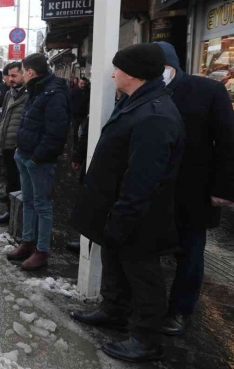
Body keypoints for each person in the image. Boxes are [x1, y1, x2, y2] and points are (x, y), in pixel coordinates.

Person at [70, 43, 184, 363]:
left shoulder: (155, 114)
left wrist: (123, 216)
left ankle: (146, 339)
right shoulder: (137, 102)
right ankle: (113, 310)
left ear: (132, 74)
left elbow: (144, 177)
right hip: (118, 207)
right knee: (116, 263)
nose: (113, 73)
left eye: (117, 68)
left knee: (143, 275)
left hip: (139, 215)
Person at [156, 41, 234, 336]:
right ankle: (148, 305)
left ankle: (180, 310)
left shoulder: (208, 91)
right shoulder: (145, 89)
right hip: (155, 187)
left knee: (189, 252)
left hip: (193, 188)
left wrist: (224, 188)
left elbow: (227, 142)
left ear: (173, 65)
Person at [6, 53, 71, 271]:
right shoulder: (36, 89)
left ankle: (41, 251)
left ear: (31, 72)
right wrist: (19, 150)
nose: (21, 74)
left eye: (22, 71)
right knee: (28, 201)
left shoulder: (55, 93)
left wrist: (36, 158)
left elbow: (56, 133)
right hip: (24, 155)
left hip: (39, 160)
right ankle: (27, 242)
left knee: (42, 205)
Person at [0, 62, 28, 224]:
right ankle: (10, 207)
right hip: (6, 144)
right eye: (9, 76)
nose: (10, 79)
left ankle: (13, 214)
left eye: (14, 75)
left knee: (18, 182)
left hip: (19, 147)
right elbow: (6, 116)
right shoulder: (9, 94)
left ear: (25, 74)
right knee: (11, 179)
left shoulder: (29, 95)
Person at [66, 115, 89, 252]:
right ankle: (83, 236)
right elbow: (86, 133)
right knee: (85, 196)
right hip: (90, 157)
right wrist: (78, 155)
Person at [70, 77, 91, 149]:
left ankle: (82, 146)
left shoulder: (88, 91)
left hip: (84, 115)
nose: (83, 85)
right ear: (78, 83)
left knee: (84, 132)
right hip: (75, 115)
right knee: (74, 133)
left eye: (84, 84)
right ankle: (74, 146)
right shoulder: (74, 91)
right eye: (81, 83)